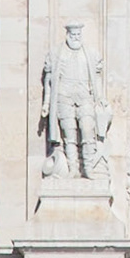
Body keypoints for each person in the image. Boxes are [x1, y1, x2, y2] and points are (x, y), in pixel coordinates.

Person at [40, 23, 109, 179]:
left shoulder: (90, 53)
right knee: (69, 134)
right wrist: (46, 103)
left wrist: (100, 97)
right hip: (64, 96)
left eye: (78, 35)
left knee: (87, 129)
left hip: (85, 96)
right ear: (68, 35)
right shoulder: (57, 53)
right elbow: (49, 80)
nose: (76, 38)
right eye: (73, 35)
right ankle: (73, 168)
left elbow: (97, 78)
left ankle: (89, 167)